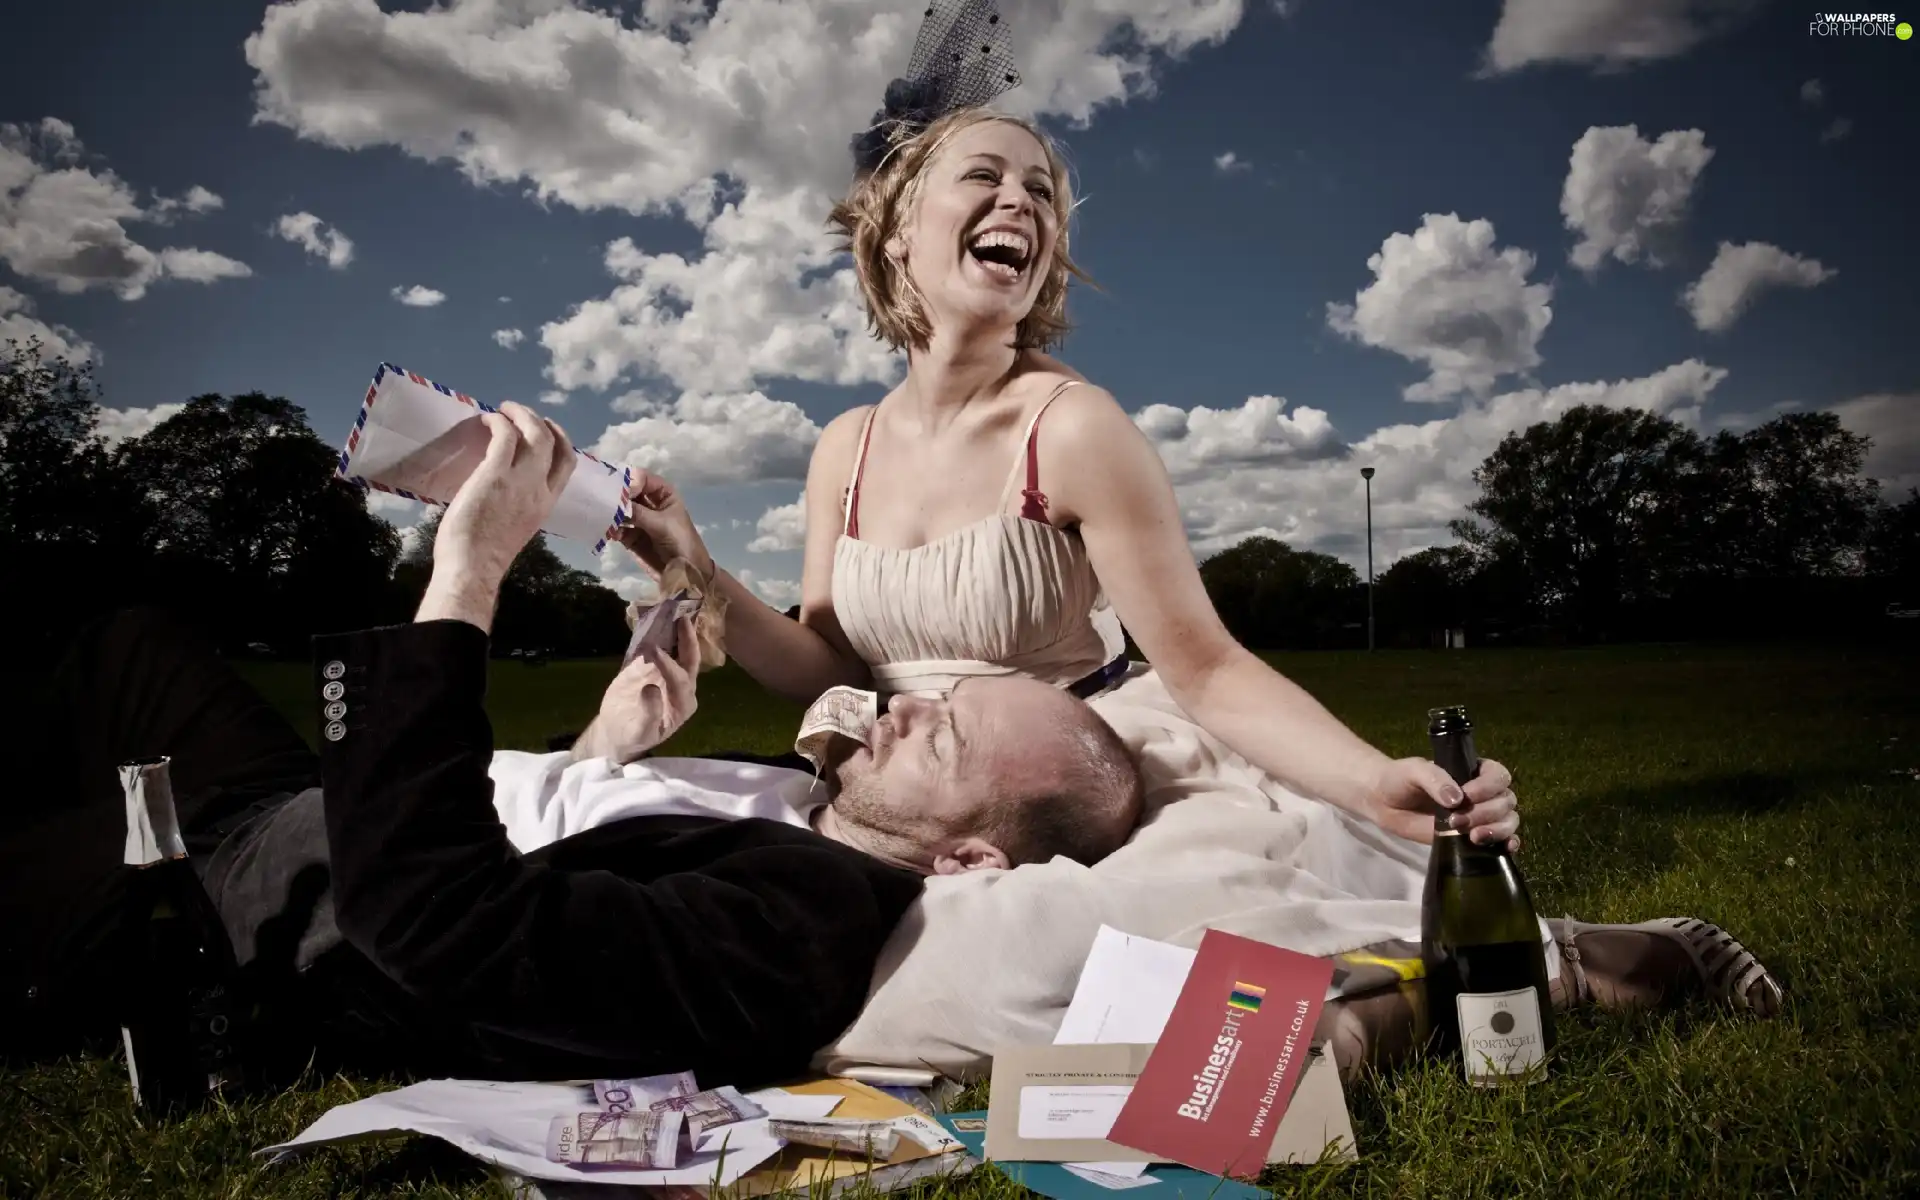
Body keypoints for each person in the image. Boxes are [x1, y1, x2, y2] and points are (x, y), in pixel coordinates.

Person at [610, 16, 1784, 1074]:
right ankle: (1357, 1018)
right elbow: (825, 664)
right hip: (920, 791)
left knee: (1051, 957)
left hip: (1093, 774)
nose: (1023, 202)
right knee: (838, 964)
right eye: (986, 176)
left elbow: (1208, 669)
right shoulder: (845, 448)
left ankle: (1571, 961)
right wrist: (691, 571)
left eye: (1043, 191)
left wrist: (1369, 781)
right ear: (897, 227)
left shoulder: (1074, 428)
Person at [0, 402, 1144, 1090]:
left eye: (943, 740)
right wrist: (609, 742)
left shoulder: (801, 925)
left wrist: (470, 571)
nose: (903, 706)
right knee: (128, 642)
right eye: (939, 698)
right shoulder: (806, 800)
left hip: (245, 897)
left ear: (968, 861)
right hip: (306, 796)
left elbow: (443, 921)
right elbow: (564, 827)